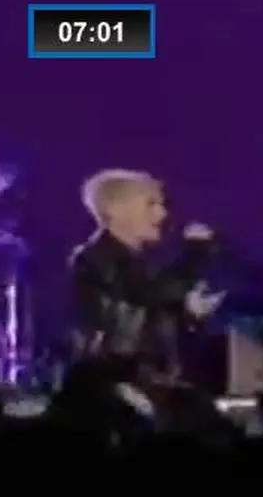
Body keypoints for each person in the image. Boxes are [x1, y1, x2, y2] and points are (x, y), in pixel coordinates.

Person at [66, 169, 227, 436]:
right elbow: (143, 295)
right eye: (151, 204)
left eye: (161, 205)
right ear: (115, 211)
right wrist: (194, 256)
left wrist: (189, 315)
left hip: (151, 383)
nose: (162, 215)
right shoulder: (95, 258)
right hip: (117, 388)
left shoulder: (141, 266)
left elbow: (149, 312)